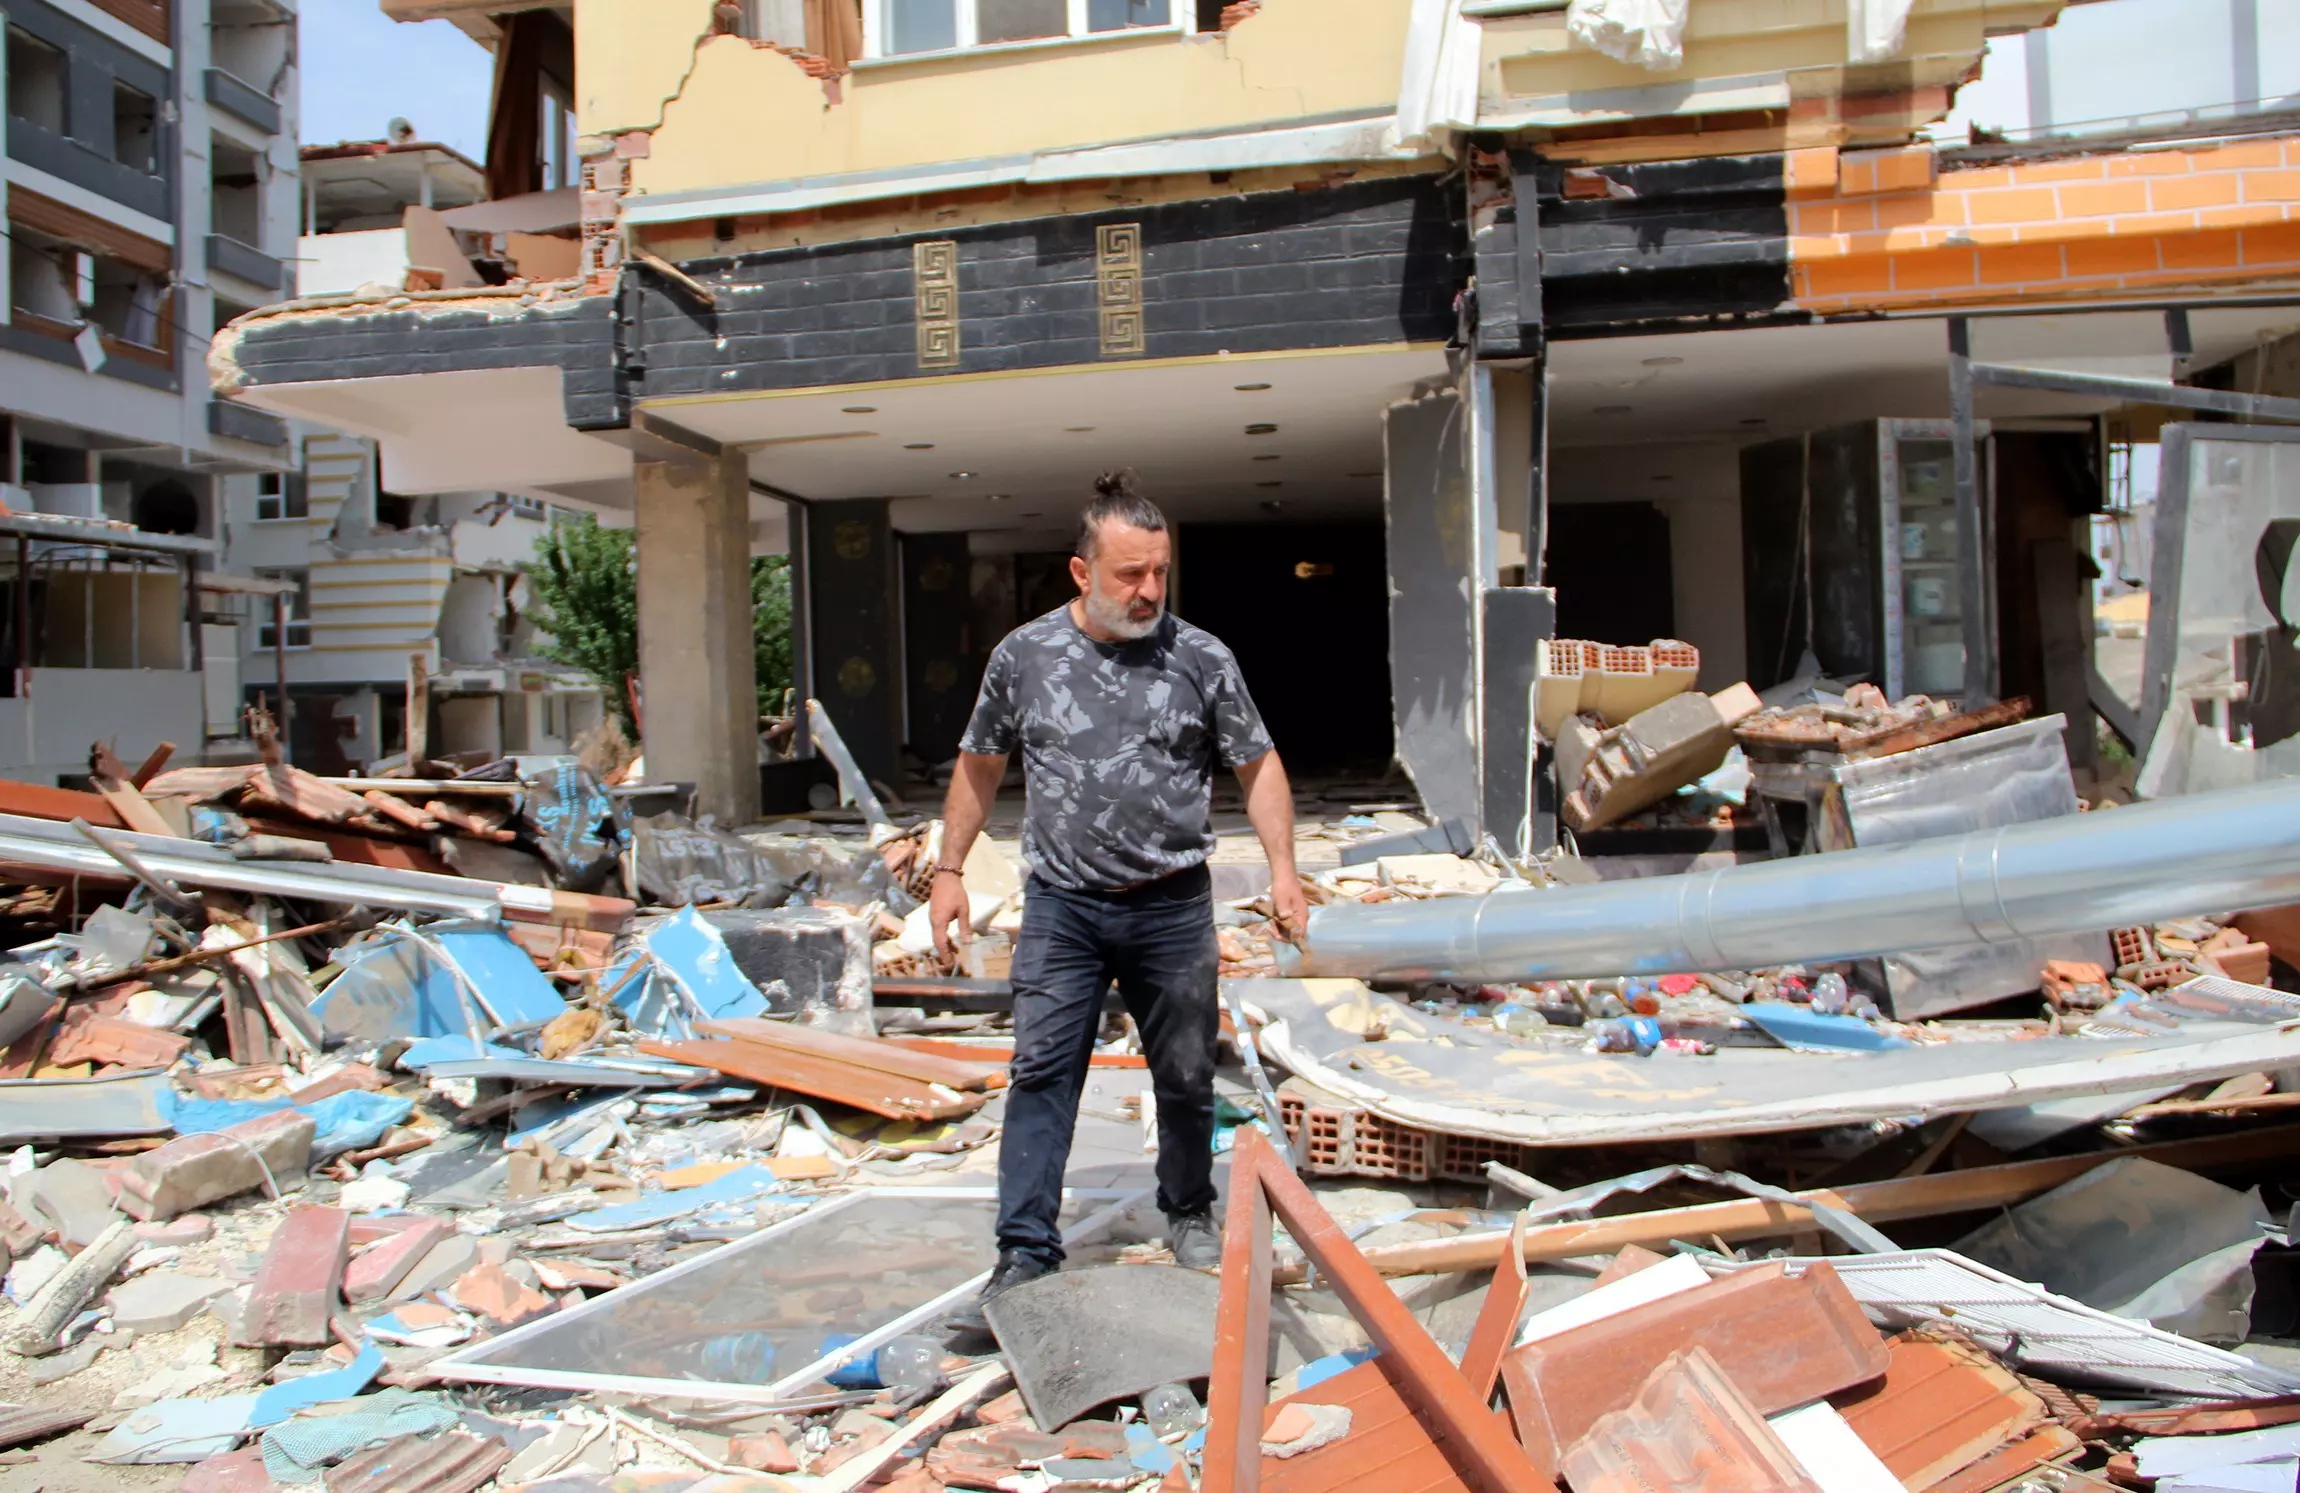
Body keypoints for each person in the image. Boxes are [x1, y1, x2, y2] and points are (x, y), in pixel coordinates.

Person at [930, 472, 1306, 1335]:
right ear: (1080, 570)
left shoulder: (1201, 657)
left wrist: (1284, 868)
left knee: (1183, 1074)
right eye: (1129, 574)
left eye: (1159, 573)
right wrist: (948, 869)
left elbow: (1259, 764)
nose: (1147, 592)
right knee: (1042, 1073)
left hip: (1171, 903)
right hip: (1062, 904)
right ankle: (1025, 1247)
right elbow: (979, 764)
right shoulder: (1022, 657)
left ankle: (1187, 1209)